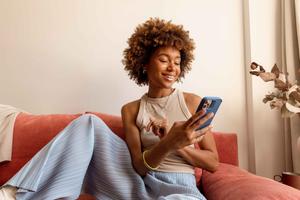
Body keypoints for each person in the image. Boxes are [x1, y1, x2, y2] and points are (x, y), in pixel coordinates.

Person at [0, 18, 219, 200]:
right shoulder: (131, 110)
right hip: (139, 187)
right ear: (144, 63)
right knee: (89, 123)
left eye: (178, 62)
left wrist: (177, 145)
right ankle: (14, 194)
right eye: (164, 60)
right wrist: (168, 143)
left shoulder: (191, 103)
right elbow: (140, 168)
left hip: (181, 190)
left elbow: (213, 163)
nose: (172, 68)